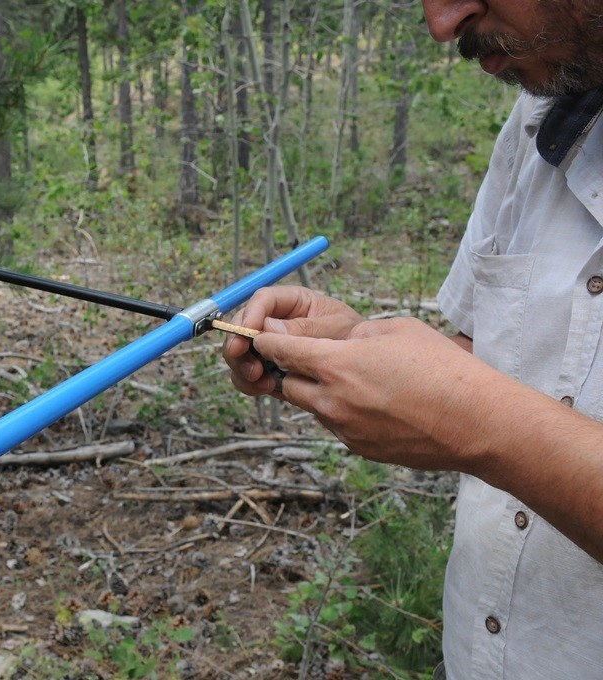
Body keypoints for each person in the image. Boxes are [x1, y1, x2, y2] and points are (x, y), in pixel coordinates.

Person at [223, 1, 603, 678]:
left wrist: (478, 425)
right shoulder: (547, 110)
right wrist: (354, 348)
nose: (441, 22)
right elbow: (491, 357)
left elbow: (483, 412)